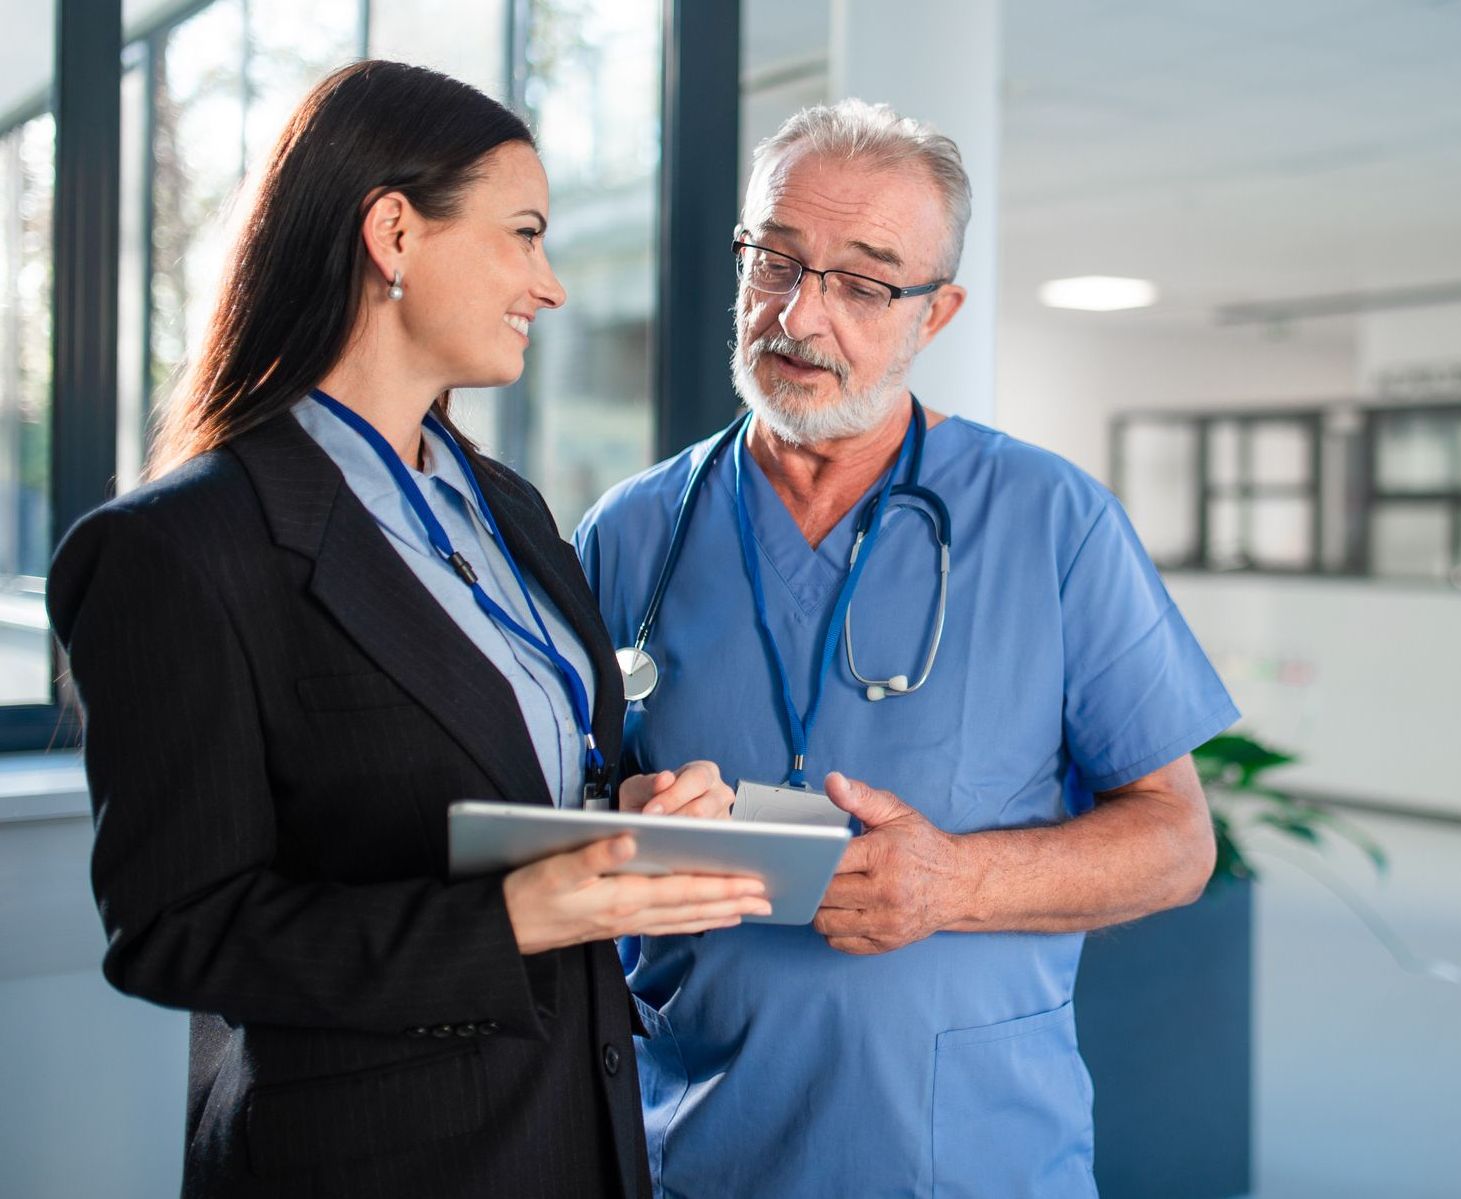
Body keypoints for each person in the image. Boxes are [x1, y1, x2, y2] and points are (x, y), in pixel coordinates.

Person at [45, 61, 762, 1199]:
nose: (552, 283)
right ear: (393, 233)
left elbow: (523, 769)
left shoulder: (507, 509)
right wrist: (506, 917)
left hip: (581, 1134)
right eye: (523, 234)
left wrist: (623, 809)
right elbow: (179, 931)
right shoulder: (181, 548)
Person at [575, 99, 1239, 1197]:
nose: (800, 314)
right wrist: (621, 820)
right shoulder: (632, 530)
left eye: (864, 282)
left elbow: (1178, 843)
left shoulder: (1049, 520)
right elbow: (561, 810)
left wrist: (956, 881)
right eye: (774, 262)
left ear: (936, 314)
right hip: (694, 1145)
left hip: (971, 1152)